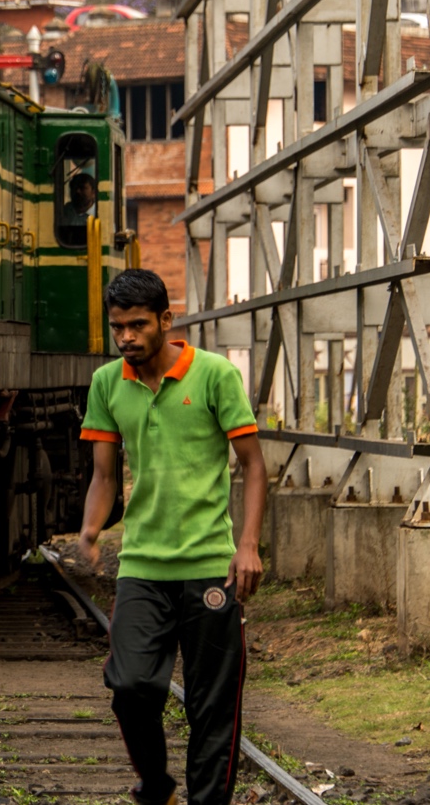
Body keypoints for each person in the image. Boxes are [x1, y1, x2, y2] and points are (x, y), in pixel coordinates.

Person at [77, 268, 267, 805]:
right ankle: (155, 782)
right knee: (131, 686)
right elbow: (105, 475)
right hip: (142, 566)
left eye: (137, 325)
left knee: (212, 705)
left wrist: (248, 545)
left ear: (166, 320)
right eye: (118, 328)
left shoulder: (214, 376)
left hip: (211, 566)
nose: (127, 338)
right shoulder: (108, 383)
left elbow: (254, 466)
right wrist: (92, 529)